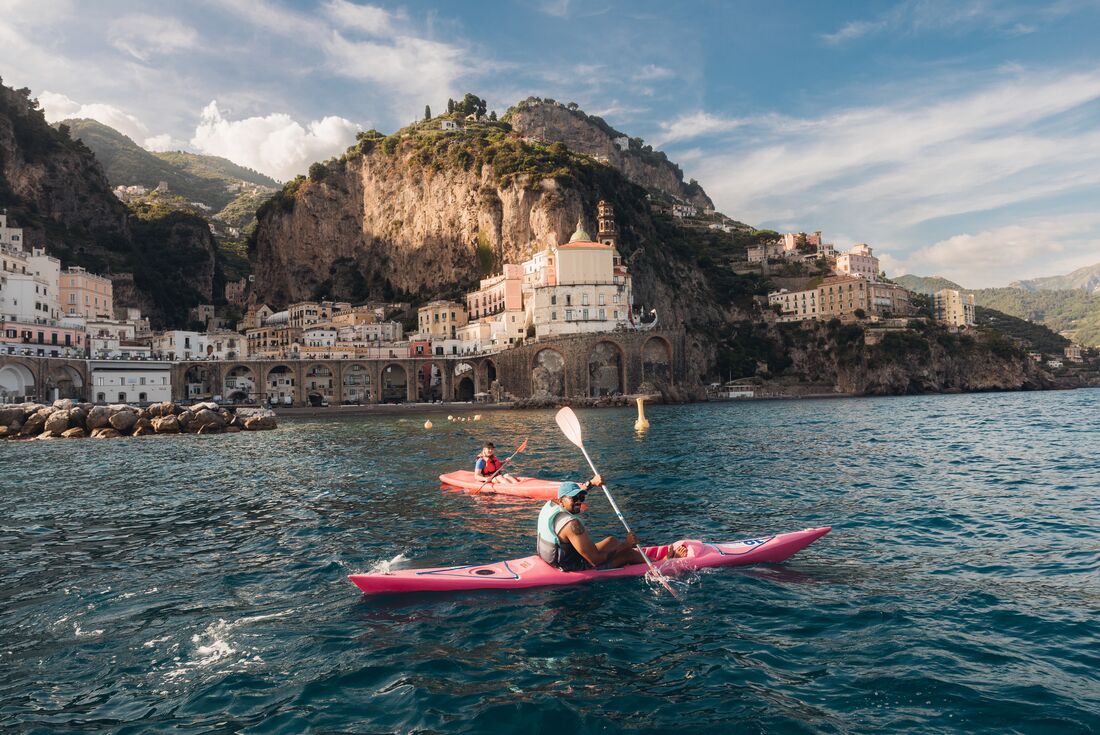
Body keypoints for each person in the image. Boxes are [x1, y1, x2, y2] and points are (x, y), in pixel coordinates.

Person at [537, 476, 655, 571]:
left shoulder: (550, 505)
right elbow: (595, 561)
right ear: (561, 501)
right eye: (574, 498)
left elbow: (577, 492)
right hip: (572, 566)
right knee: (628, 554)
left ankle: (649, 558)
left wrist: (592, 483)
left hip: (552, 558)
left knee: (612, 541)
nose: (579, 501)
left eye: (581, 497)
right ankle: (661, 563)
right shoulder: (572, 525)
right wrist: (626, 545)